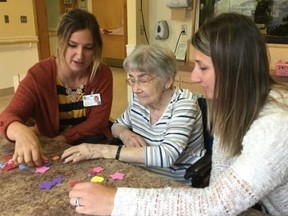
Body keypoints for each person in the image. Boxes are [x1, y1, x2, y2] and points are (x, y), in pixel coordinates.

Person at [68, 13, 288, 216]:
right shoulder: (228, 107)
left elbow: (215, 202)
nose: (193, 78)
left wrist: (115, 201)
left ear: (232, 68)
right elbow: (219, 181)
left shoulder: (276, 125)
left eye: (202, 67)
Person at [61, 44, 206, 183]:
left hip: (173, 184)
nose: (136, 89)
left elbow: (167, 155)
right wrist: (125, 133)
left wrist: (101, 150)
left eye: (143, 80)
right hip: (139, 175)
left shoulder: (185, 105)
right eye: (131, 80)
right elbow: (116, 125)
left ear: (167, 80)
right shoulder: (140, 100)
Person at [0, 9, 113, 167]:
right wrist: (21, 132)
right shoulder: (39, 75)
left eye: (88, 48)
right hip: (54, 154)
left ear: (95, 49)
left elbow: (98, 122)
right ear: (60, 43)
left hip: (92, 144)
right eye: (72, 45)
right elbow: (8, 116)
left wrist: (61, 139)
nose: (80, 55)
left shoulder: (102, 74)